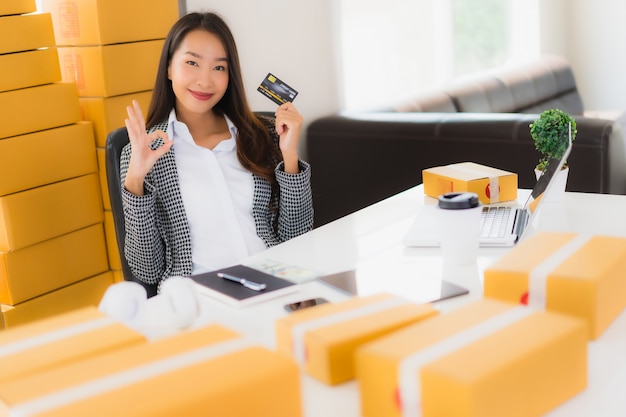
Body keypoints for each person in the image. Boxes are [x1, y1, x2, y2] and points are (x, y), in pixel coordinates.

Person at [120, 11, 313, 290]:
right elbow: (147, 270)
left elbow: (298, 237)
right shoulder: (145, 151)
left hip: (274, 284)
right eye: (192, 63)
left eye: (219, 68)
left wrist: (290, 156)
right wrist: (136, 179)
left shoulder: (263, 135)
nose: (205, 80)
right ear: (169, 68)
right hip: (199, 296)